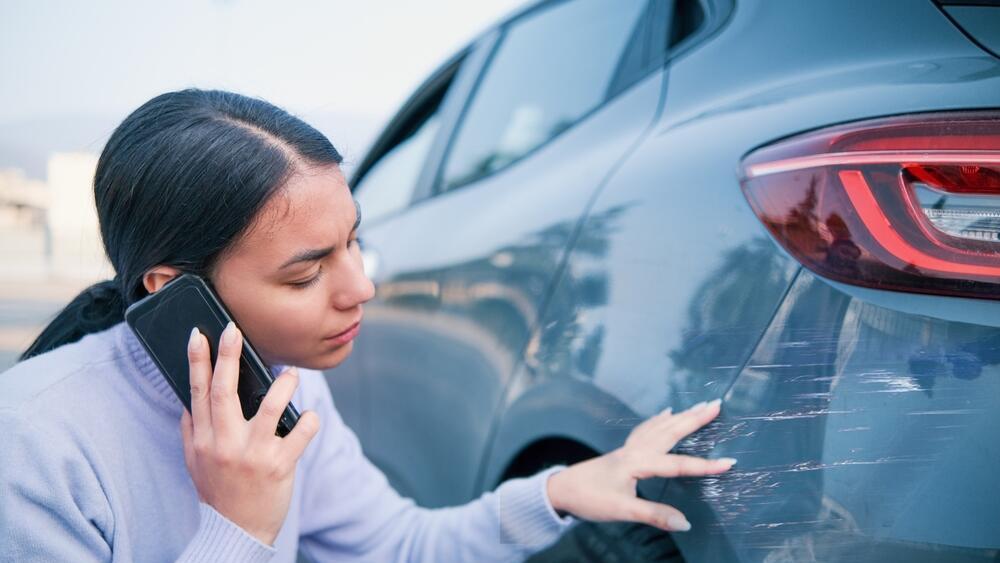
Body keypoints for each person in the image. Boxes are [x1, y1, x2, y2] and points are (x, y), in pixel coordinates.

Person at [0, 89, 734, 562]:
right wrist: (239, 526)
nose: (362, 287)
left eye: (354, 240)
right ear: (173, 290)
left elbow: (399, 545)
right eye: (305, 272)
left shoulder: (285, 391)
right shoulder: (34, 443)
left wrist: (563, 489)